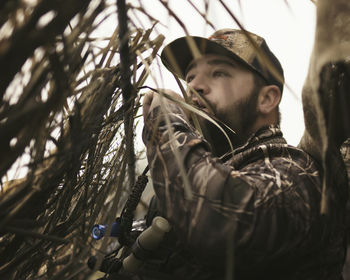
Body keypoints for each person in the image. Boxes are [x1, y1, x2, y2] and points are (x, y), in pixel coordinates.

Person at [140, 29, 348, 280]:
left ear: (267, 99)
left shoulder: (296, 173)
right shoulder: (217, 167)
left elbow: (218, 222)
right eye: (190, 77)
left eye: (219, 73)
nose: (194, 87)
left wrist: (165, 121)